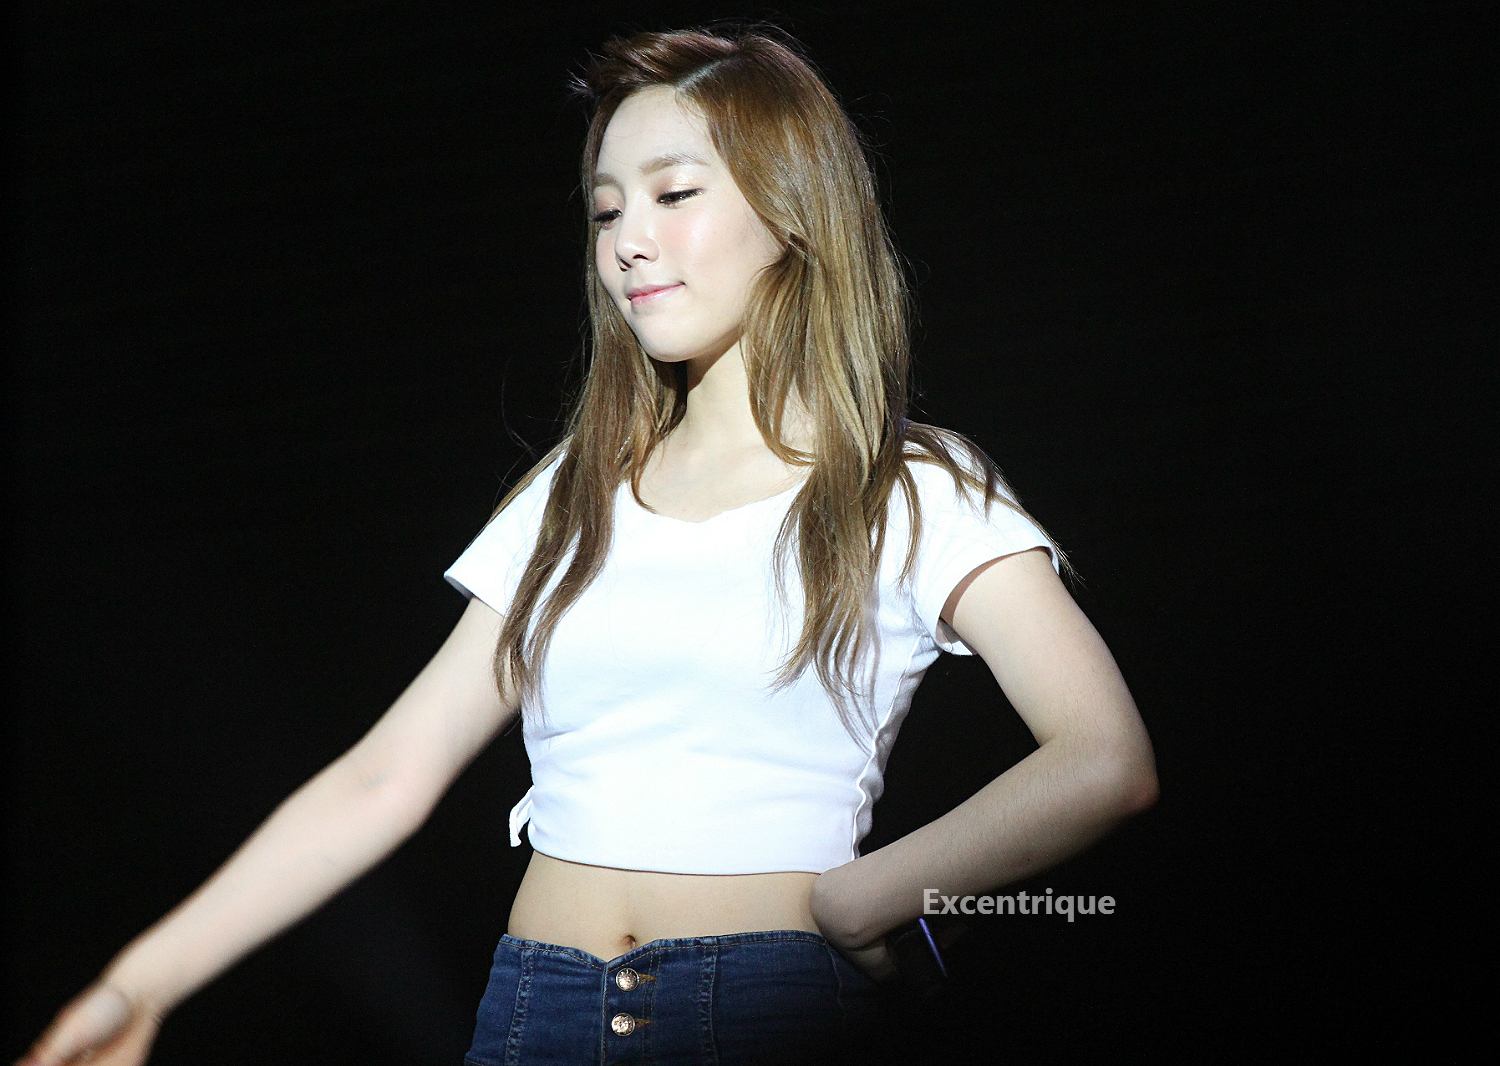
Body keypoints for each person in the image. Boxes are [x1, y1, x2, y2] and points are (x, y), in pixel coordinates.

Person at [16, 25, 1158, 1066]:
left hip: (768, 1011)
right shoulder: (577, 493)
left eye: (674, 193)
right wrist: (141, 983)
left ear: (793, 211)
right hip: (537, 1011)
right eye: (608, 212)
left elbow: (1103, 758)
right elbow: (385, 776)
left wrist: (875, 897)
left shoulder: (905, 488)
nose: (629, 243)